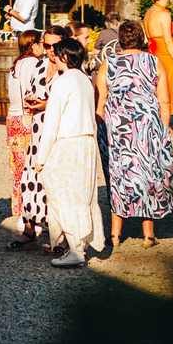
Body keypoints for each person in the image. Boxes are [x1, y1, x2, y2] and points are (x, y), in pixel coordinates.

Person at [95, 19, 173, 248]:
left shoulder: (108, 63)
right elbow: (164, 100)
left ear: (120, 40)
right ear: (141, 38)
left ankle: (115, 235)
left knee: (117, 177)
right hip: (146, 128)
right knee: (147, 176)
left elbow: (100, 100)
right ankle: (148, 236)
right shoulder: (154, 62)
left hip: (116, 130)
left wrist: (98, 127)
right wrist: (163, 130)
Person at [36, 39, 106, 267]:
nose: (52, 58)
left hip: (68, 142)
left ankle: (75, 250)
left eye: (55, 54)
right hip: (86, 142)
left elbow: (52, 123)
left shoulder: (63, 81)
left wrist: (41, 157)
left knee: (62, 194)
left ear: (64, 57)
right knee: (81, 194)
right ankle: (79, 246)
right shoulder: (85, 79)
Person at [3, 30, 46, 246]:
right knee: (30, 168)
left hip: (13, 119)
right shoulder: (33, 65)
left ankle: (22, 213)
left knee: (17, 168)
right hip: (27, 119)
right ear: (34, 45)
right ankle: (28, 216)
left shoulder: (16, 64)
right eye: (42, 43)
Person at [143, 0, 173, 119]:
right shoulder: (164, 14)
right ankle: (166, 124)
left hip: (152, 52)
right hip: (164, 53)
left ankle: (155, 118)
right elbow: (168, 41)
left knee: (155, 88)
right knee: (166, 88)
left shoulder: (148, 12)